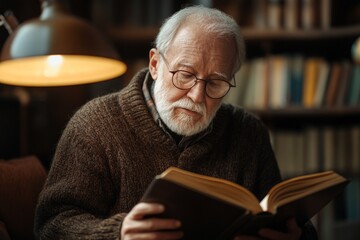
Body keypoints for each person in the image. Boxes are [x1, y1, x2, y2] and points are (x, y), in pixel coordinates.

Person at [34, 5, 317, 240]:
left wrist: (297, 236)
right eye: (184, 74)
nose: (196, 95)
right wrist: (118, 233)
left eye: (216, 82)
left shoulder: (248, 133)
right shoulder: (93, 126)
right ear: (156, 64)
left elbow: (284, 218)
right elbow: (51, 226)